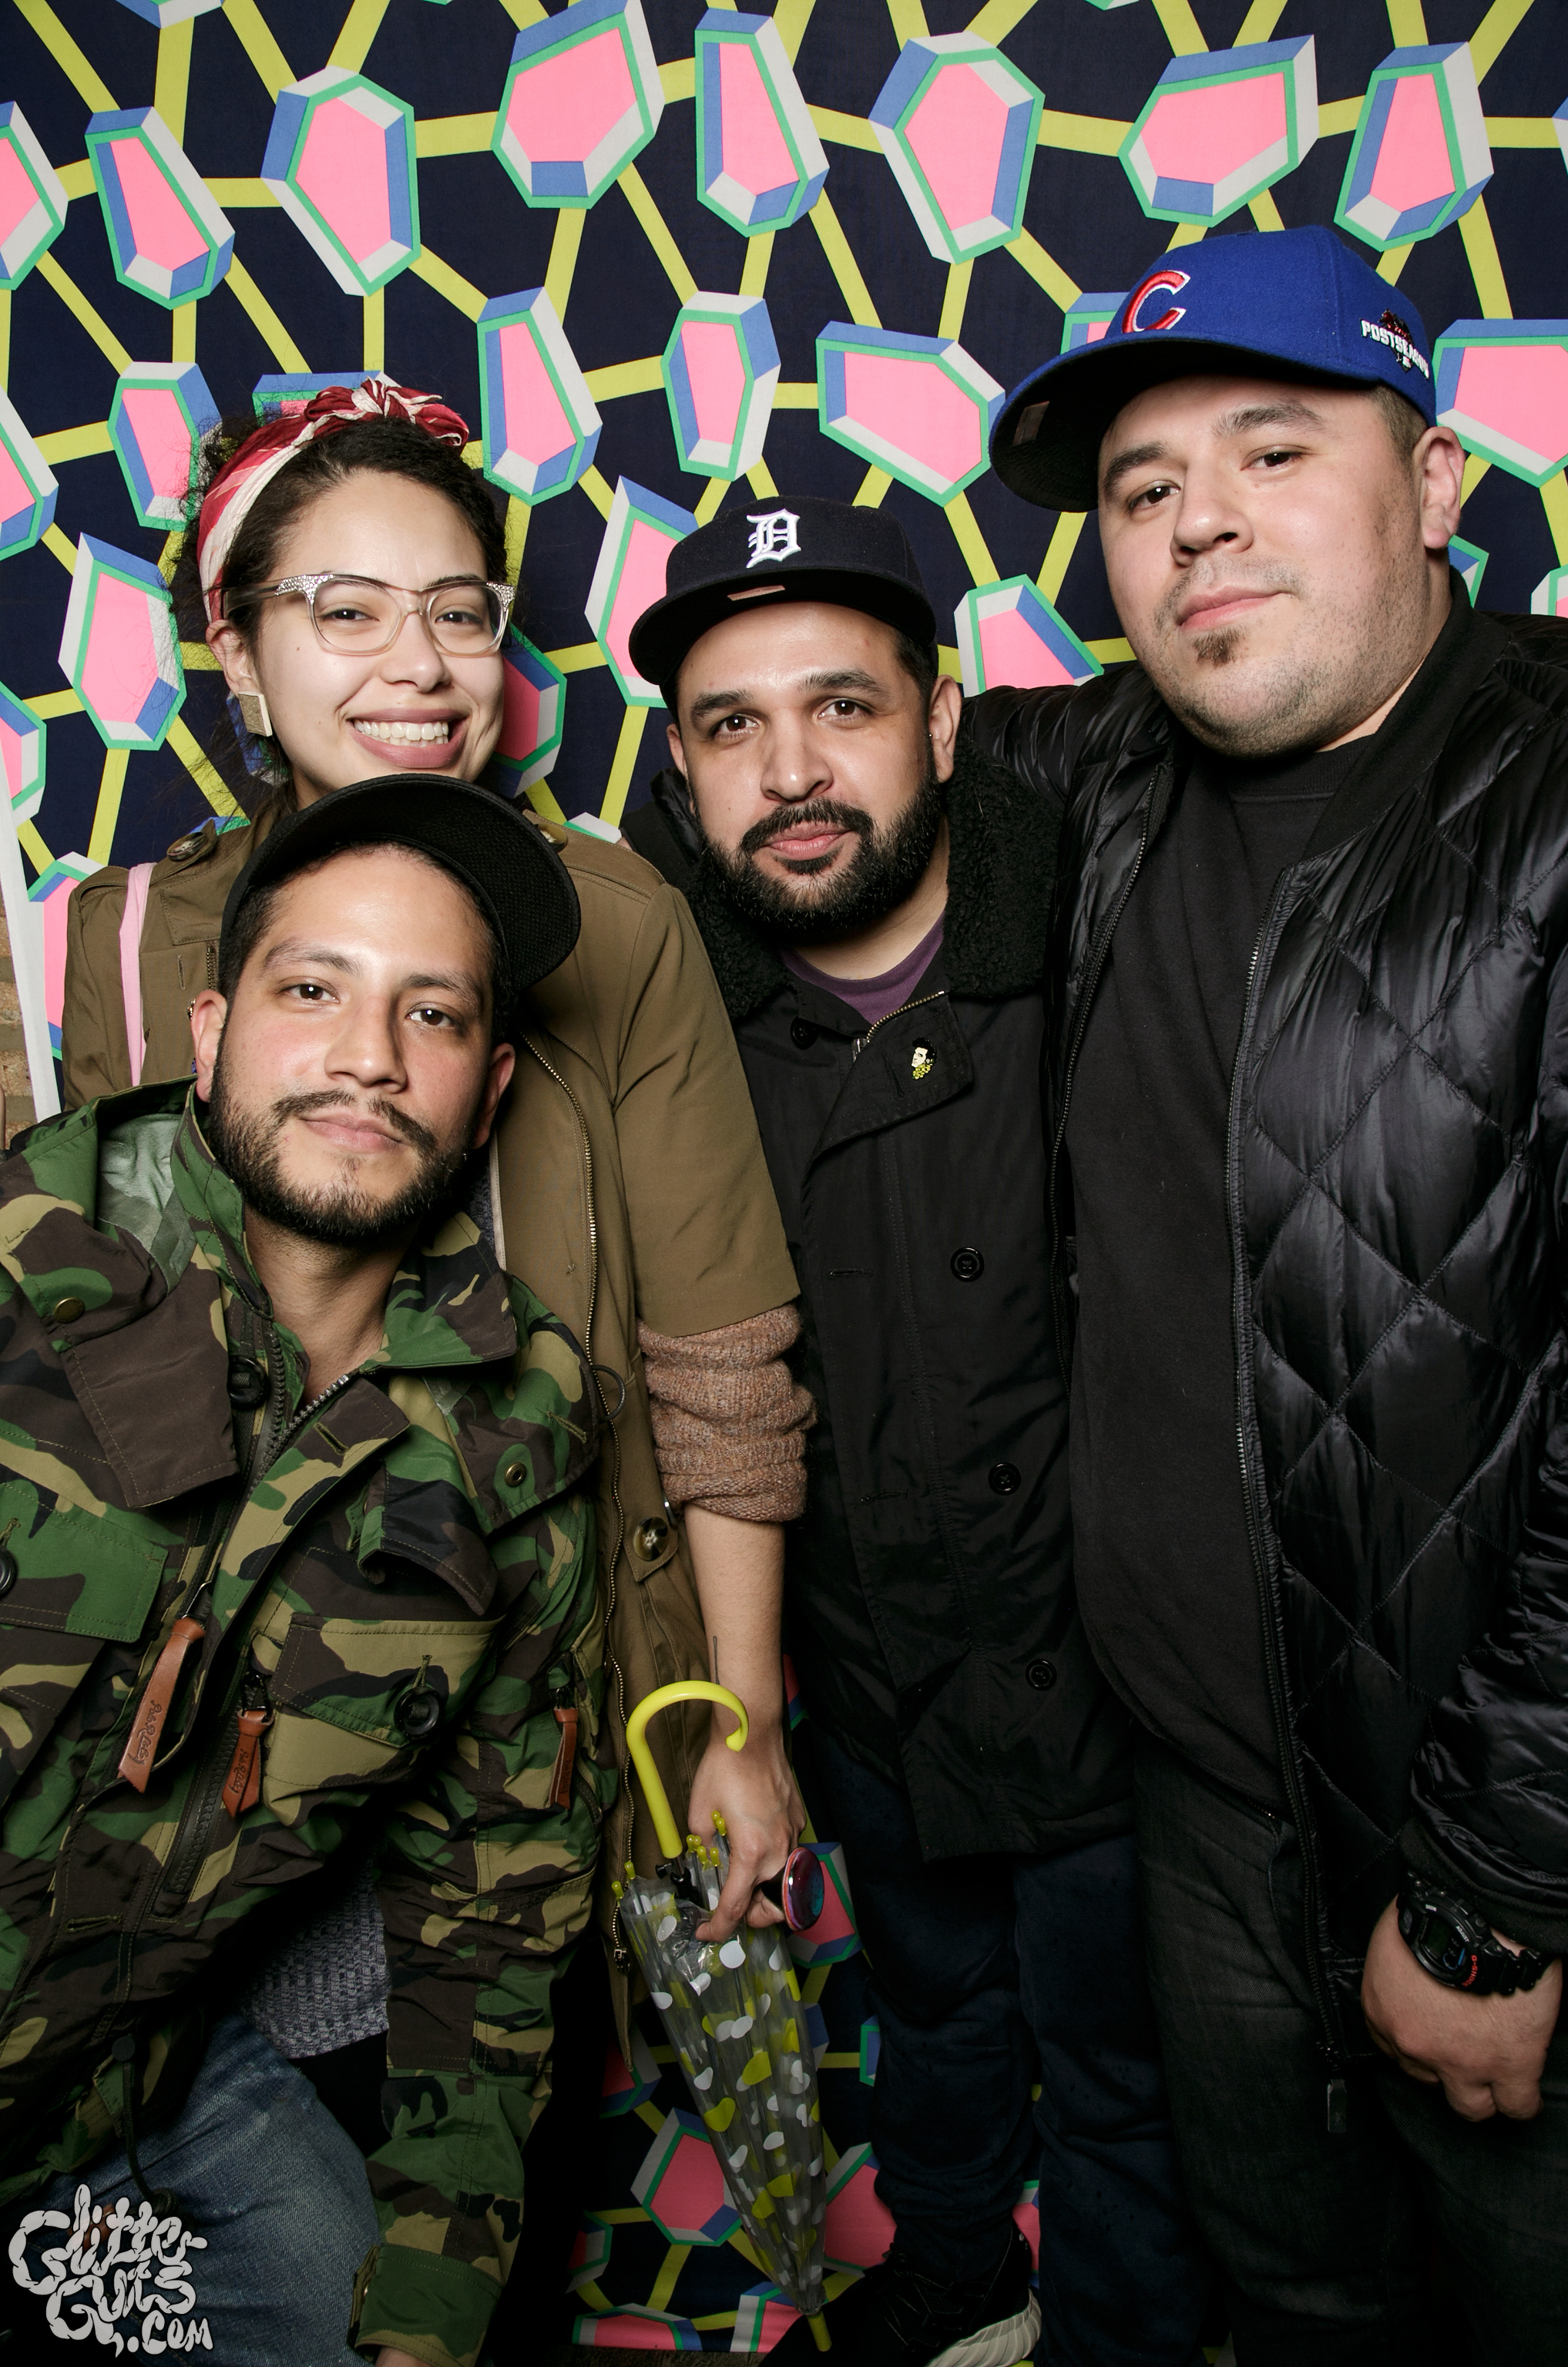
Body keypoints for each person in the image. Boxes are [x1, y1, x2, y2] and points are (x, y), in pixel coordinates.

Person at [57, 382, 812, 2134]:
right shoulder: (106, 952)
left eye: (460, 613)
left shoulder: (608, 925)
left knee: (459, 2187)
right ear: (238, 659)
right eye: (347, 610)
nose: (420, 663)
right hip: (183, 1759)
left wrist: (740, 1724)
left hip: (516, 1742)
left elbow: (719, 1356)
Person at [972, 223, 1568, 2360]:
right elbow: (811, 783)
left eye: (1271, 450)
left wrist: (1499, 1890)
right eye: (1141, 489)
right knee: (1294, 2304)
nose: (1197, 521)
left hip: (1497, 1838)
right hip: (1208, 1810)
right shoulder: (1099, 779)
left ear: (1432, 480)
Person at [623, 501, 1210, 2367]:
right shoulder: (669, 1028)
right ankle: (958, 2264)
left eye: (843, 706)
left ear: (943, 720)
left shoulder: (1118, 921)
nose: (792, 773)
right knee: (933, 2011)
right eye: (731, 725)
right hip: (871, 1679)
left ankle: (1122, 2327)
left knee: (1130, 2068)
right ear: (682, 768)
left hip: (1123, 1676)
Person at [0, 779, 605, 2366]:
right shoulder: (23, 1277)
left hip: (126, 2092)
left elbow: (494, 1899)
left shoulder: (517, 1422)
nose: (368, 1057)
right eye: (313, 990)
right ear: (210, 1034)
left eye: (433, 1013)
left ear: (491, 1089)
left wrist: (433, 2299)